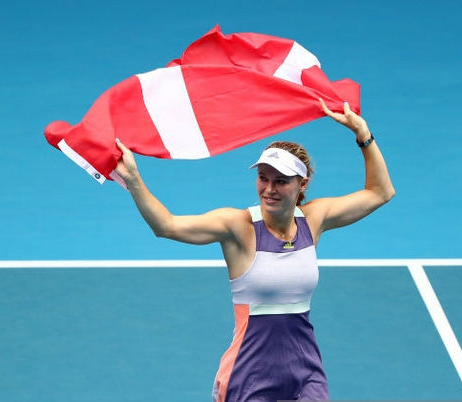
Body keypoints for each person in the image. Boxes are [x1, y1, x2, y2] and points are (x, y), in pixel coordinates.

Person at [113, 99, 395, 401]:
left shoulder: (314, 219)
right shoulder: (238, 227)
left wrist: (363, 134)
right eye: (263, 178)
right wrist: (134, 180)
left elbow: (381, 192)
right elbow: (167, 226)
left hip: (306, 372)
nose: (269, 189)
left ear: (302, 184)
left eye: (281, 181)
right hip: (249, 376)